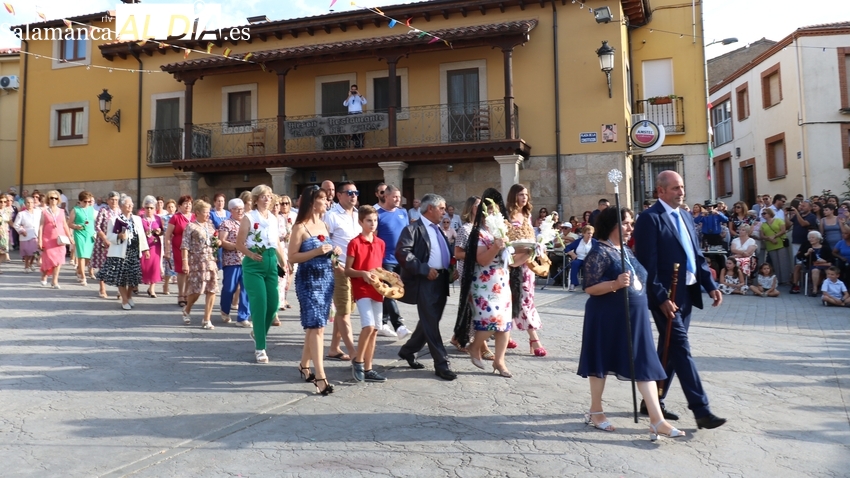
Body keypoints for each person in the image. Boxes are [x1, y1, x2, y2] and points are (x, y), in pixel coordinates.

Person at [577, 206, 684, 440]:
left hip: (635, 318)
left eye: (631, 223)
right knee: (601, 360)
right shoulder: (600, 252)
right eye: (626, 223)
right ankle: (596, 411)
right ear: (612, 225)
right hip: (606, 316)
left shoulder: (625, 250)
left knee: (644, 364)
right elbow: (589, 287)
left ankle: (657, 420)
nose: (630, 228)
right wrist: (614, 284)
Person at [633, 170, 726, 430]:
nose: (681, 192)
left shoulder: (685, 215)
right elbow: (646, 264)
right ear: (660, 191)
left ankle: (653, 399)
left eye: (682, 187)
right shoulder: (649, 219)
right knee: (681, 348)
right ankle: (701, 410)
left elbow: (695, 255)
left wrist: (710, 284)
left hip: (687, 292)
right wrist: (660, 297)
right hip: (666, 295)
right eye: (675, 188)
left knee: (671, 349)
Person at [454, 188, 522, 378]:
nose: (493, 211)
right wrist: (495, 246)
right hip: (483, 282)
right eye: (489, 208)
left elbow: (511, 259)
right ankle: (475, 346)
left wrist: (529, 252)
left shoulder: (500, 229)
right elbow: (482, 260)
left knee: (505, 323)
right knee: (491, 319)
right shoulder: (475, 232)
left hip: (501, 280)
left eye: (495, 209)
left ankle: (500, 361)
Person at [396, 193, 458, 380]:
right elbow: (402, 252)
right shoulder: (413, 229)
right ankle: (442, 363)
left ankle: (408, 350)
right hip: (424, 281)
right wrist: (423, 269)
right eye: (441, 208)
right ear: (430, 208)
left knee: (429, 321)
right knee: (430, 322)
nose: (444, 212)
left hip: (440, 280)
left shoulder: (438, 229)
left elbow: (442, 252)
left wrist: (450, 270)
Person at [288, 185, 340, 394]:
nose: (327, 202)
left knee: (315, 327)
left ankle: (304, 365)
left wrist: (334, 254)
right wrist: (317, 251)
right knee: (317, 327)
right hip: (309, 280)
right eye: (323, 199)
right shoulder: (299, 227)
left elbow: (328, 253)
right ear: (312, 202)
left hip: (326, 279)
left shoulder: (323, 224)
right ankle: (321, 376)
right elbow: (292, 257)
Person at [236, 185, 288, 362]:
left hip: (271, 261)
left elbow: (277, 243)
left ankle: (257, 333)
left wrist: (283, 261)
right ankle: (260, 348)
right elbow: (239, 243)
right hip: (254, 264)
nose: (267, 199)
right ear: (256, 199)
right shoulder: (249, 217)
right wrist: (251, 254)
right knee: (260, 305)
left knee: (273, 305)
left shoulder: (274, 218)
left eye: (269, 196)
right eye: (263, 196)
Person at [345, 205, 389, 383]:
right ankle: (358, 360)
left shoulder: (380, 243)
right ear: (361, 222)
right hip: (361, 289)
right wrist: (362, 273)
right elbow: (348, 270)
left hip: (377, 289)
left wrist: (389, 279)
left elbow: (380, 269)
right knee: (368, 325)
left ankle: (369, 367)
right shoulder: (355, 243)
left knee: (375, 329)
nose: (372, 224)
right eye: (369, 221)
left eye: (375, 220)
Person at [450, 195, 494, 359]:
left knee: (472, 308)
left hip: (485, 274)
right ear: (470, 208)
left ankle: (458, 337)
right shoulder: (466, 229)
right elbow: (458, 252)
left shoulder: (486, 229)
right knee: (477, 308)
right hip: (470, 272)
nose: (480, 208)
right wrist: (478, 255)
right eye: (477, 205)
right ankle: (482, 346)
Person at [506, 184, 546, 357]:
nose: (524, 198)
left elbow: (530, 236)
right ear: (514, 196)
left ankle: (521, 337)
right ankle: (532, 338)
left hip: (527, 263)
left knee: (526, 299)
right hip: (511, 262)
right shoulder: (506, 215)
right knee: (512, 299)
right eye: (521, 195)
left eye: (526, 195)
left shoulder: (527, 215)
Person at [323, 181, 360, 362]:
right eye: (349, 193)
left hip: (356, 270)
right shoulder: (331, 216)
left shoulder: (358, 215)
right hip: (339, 269)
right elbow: (323, 242)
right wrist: (334, 263)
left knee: (346, 310)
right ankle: (354, 352)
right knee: (344, 311)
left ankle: (334, 348)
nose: (353, 196)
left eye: (355, 192)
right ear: (339, 195)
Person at [97, 195, 149, 309]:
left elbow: (142, 236)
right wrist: (119, 236)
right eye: (127, 204)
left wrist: (146, 249)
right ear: (121, 206)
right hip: (120, 253)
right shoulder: (114, 219)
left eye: (131, 203)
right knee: (121, 278)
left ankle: (129, 296)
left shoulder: (137, 219)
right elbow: (109, 236)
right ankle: (124, 300)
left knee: (133, 277)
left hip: (134, 251)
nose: (130, 206)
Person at [376, 185, 411, 338]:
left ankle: (383, 322)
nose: (398, 199)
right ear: (386, 197)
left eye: (399, 196)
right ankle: (399, 325)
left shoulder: (403, 213)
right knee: (390, 291)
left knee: (396, 291)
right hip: (385, 259)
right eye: (395, 197)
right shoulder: (378, 214)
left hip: (401, 259)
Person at [180, 200, 219, 329]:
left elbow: (213, 240)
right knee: (197, 291)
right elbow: (185, 245)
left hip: (210, 261)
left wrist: (217, 242)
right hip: (197, 262)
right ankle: (187, 308)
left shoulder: (210, 225)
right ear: (197, 213)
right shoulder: (191, 226)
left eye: (209, 212)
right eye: (205, 212)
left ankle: (206, 319)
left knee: (212, 289)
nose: (208, 215)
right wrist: (185, 262)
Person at [219, 198, 251, 327]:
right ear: (230, 210)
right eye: (237, 209)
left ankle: (243, 317)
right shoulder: (226, 223)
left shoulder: (247, 222)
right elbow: (222, 241)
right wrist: (237, 246)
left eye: (241, 209)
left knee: (246, 288)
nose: (240, 211)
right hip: (232, 260)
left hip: (247, 260)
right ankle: (225, 310)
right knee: (229, 288)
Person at [164, 195, 195, 308]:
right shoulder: (176, 217)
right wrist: (167, 250)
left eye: (190, 204)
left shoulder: (194, 217)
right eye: (185, 204)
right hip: (179, 247)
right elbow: (168, 234)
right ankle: (181, 294)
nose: (188, 206)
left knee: (190, 271)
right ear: (180, 206)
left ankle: (187, 293)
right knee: (182, 270)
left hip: (193, 248)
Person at [37, 191, 72, 288]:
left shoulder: (61, 211)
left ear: (58, 200)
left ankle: (54, 281)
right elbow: (41, 226)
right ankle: (44, 276)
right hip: (48, 239)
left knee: (59, 260)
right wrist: (39, 240)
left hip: (60, 240)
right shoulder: (44, 212)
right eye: (51, 198)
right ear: (48, 199)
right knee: (48, 259)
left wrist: (70, 237)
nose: (53, 200)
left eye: (56, 198)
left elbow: (65, 225)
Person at [92, 192, 121, 297]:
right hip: (104, 243)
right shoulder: (103, 211)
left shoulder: (120, 212)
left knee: (118, 265)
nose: (114, 202)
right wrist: (104, 238)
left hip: (117, 242)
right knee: (103, 266)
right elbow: (97, 226)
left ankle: (120, 289)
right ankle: (102, 288)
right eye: (112, 199)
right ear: (108, 200)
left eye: (116, 200)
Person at [795, 230, 834, 297]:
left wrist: (825, 261)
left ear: (818, 239)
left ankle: (830, 290)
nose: (810, 239)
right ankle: (815, 289)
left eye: (813, 237)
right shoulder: (807, 247)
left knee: (829, 271)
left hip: (824, 264)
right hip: (813, 265)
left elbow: (831, 258)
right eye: (809, 238)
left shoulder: (825, 247)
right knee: (815, 270)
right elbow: (799, 256)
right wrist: (807, 253)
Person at [68, 191, 96, 285]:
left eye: (89, 202)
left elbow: (96, 221)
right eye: (85, 201)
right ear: (80, 201)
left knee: (88, 256)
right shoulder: (75, 210)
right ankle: (83, 277)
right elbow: (70, 224)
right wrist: (76, 226)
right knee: (81, 255)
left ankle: (79, 270)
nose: (87, 203)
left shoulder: (92, 209)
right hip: (79, 233)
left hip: (90, 234)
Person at [139, 196, 164, 297]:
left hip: (155, 245)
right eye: (147, 207)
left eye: (151, 208)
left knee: (154, 266)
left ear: (155, 209)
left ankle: (152, 288)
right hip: (143, 244)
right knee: (143, 266)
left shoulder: (158, 218)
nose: (149, 210)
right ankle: (136, 285)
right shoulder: (140, 218)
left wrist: (159, 232)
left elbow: (162, 231)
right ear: (144, 208)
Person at [760, 208, 791, 286]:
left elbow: (783, 230)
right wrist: (770, 239)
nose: (763, 215)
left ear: (770, 213)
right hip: (770, 244)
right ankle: (778, 280)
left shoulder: (779, 220)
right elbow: (762, 235)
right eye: (762, 214)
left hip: (780, 243)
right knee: (775, 263)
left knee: (783, 262)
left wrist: (774, 236)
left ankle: (785, 280)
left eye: (765, 213)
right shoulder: (763, 224)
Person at [564, 225, 596, 292]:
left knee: (589, 266)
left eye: (591, 233)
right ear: (583, 233)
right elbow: (567, 248)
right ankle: (573, 284)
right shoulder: (578, 241)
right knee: (574, 264)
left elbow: (599, 251)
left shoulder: (595, 242)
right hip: (578, 258)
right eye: (588, 233)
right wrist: (572, 254)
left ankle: (587, 285)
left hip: (589, 260)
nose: (590, 235)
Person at [13, 196, 41, 272]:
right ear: (25, 204)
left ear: (34, 204)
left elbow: (42, 222)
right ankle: (26, 266)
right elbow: (16, 225)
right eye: (28, 202)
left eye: (31, 202)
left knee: (35, 251)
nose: (30, 204)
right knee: (27, 252)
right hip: (25, 234)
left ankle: (31, 264)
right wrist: (22, 230)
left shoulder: (38, 212)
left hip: (35, 234)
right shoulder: (21, 214)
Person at [279, 194, 297, 310]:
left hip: (293, 246)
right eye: (282, 203)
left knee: (290, 272)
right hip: (281, 247)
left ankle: (285, 297)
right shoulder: (277, 217)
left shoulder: (294, 215)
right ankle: (280, 299)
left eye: (287, 203)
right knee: (282, 273)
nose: (284, 206)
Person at [161, 199, 177, 295]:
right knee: (168, 265)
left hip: (177, 244)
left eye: (172, 207)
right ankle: (166, 284)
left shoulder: (178, 217)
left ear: (175, 208)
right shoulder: (164, 218)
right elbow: (162, 230)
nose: (171, 208)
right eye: (169, 207)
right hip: (168, 243)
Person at [343, 84, 367, 148]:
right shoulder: (349, 97)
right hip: (351, 114)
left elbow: (365, 102)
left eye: (354, 89)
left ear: (356, 90)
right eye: (352, 89)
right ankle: (354, 140)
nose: (353, 91)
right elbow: (345, 104)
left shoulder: (359, 97)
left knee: (359, 128)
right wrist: (349, 96)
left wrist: (359, 94)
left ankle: (359, 142)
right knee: (352, 129)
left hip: (358, 114)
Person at [0, 195, 11, 271]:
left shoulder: (7, 211)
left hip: (4, 234)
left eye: (5, 201)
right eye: (1, 202)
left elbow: (10, 222)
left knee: (3, 253)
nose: (3, 203)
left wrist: (19, 229)